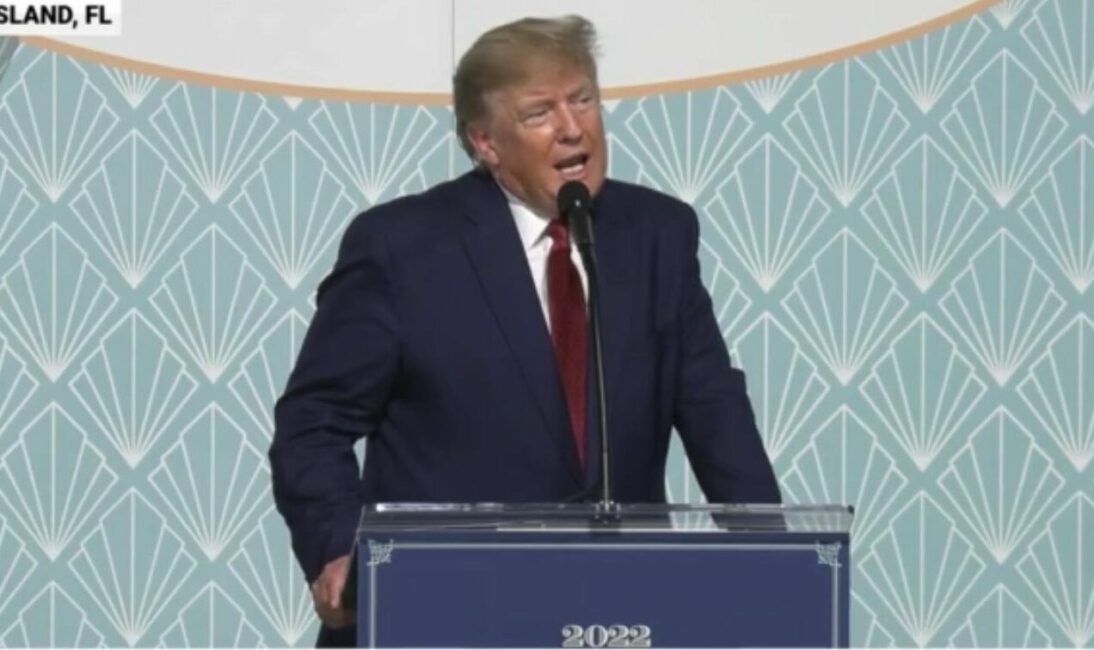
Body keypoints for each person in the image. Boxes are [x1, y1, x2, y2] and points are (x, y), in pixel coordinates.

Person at [269, 15, 780, 647]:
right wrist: (336, 550)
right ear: (485, 142)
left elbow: (713, 409)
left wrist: (775, 561)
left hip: (613, 614)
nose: (572, 128)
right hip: (442, 613)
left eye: (582, 100)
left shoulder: (657, 234)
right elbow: (312, 423)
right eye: (540, 113)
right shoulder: (403, 247)